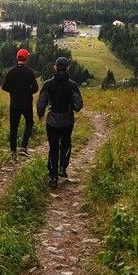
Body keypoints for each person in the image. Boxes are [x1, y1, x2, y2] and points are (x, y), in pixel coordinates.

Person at [37, 56, 83, 187]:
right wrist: (72, 108)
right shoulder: (72, 85)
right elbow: (79, 104)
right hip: (67, 120)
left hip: (52, 121)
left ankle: (53, 177)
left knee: (53, 148)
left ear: (55, 68)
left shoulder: (48, 84)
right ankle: (63, 167)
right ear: (68, 68)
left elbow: (41, 103)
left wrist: (41, 114)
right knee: (66, 143)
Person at [1, 48, 39, 159]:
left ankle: (13, 152)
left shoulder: (10, 71)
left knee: (13, 128)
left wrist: (13, 92)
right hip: (26, 104)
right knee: (29, 124)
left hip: (14, 104)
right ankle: (23, 147)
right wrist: (27, 93)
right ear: (27, 59)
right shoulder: (30, 72)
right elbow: (35, 88)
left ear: (17, 58)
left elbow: (4, 87)